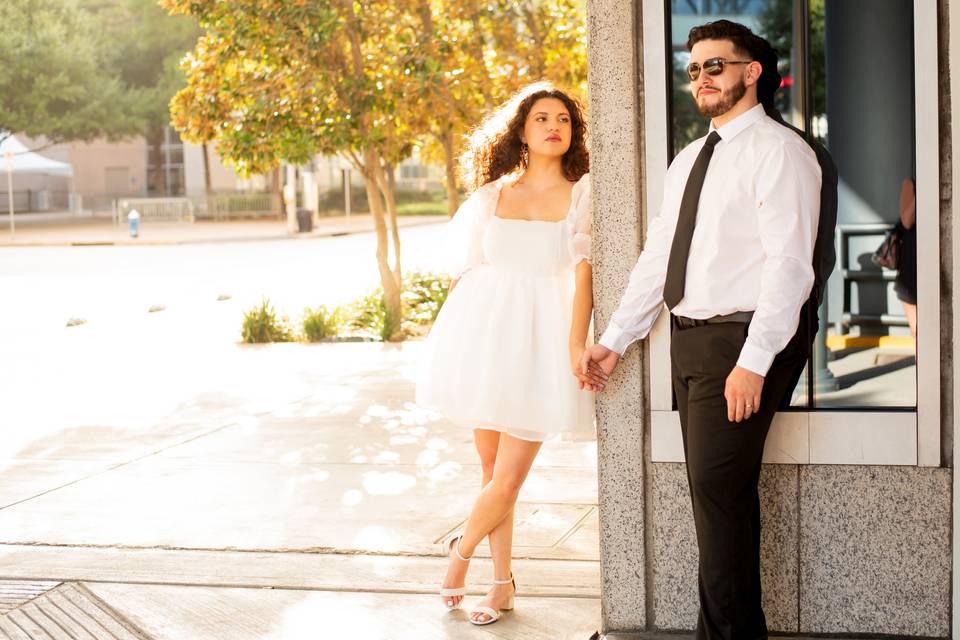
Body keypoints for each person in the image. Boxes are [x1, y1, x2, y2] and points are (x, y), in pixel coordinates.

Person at [582, 20, 821, 639]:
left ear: (751, 72)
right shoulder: (691, 156)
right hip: (688, 339)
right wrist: (614, 339)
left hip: (740, 342)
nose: (702, 79)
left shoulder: (780, 151)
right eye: (693, 70)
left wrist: (755, 359)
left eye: (715, 66)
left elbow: (790, 266)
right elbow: (660, 254)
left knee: (718, 506)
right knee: (718, 507)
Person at [415, 82, 605, 626]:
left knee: (508, 480)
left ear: (574, 133)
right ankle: (502, 585)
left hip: (542, 340)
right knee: (491, 472)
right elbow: (467, 272)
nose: (554, 126)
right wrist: (447, 346)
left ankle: (459, 555)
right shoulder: (493, 194)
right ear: (521, 130)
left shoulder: (584, 190)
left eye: (564, 119)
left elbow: (585, 272)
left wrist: (575, 342)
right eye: (542, 117)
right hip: (484, 336)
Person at [894, 178, 918, 338]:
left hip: (937, 267)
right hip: (912, 270)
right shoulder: (910, 184)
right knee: (919, 333)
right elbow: (907, 221)